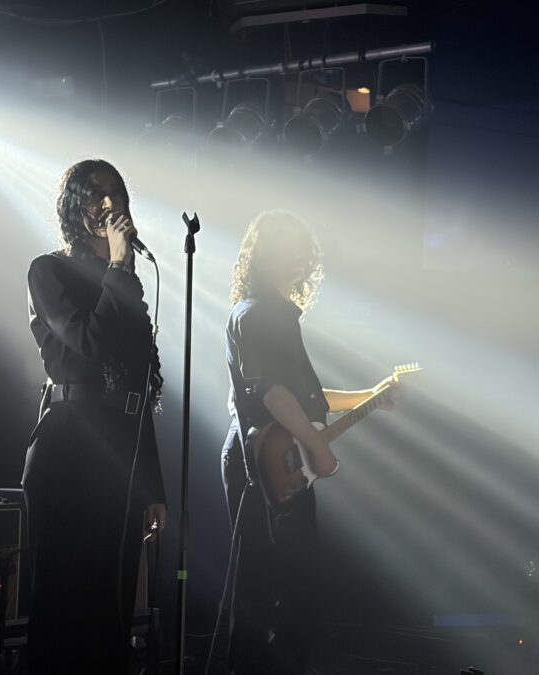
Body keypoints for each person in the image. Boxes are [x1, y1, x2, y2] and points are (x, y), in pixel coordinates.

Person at [222, 210, 396, 674]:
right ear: (267, 255)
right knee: (266, 589)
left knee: (289, 589)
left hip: (278, 457)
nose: (299, 259)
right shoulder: (259, 313)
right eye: (290, 250)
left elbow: (308, 400)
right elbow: (273, 394)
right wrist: (316, 446)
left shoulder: (275, 314)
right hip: (261, 462)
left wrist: (373, 395)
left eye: (303, 251)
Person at [23, 159, 166, 674]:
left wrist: (152, 485)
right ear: (72, 206)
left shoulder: (125, 282)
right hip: (69, 450)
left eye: (115, 193)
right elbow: (88, 345)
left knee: (114, 610)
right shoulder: (49, 271)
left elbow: (138, 387)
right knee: (67, 608)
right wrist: (119, 268)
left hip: (119, 457)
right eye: (93, 193)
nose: (108, 203)